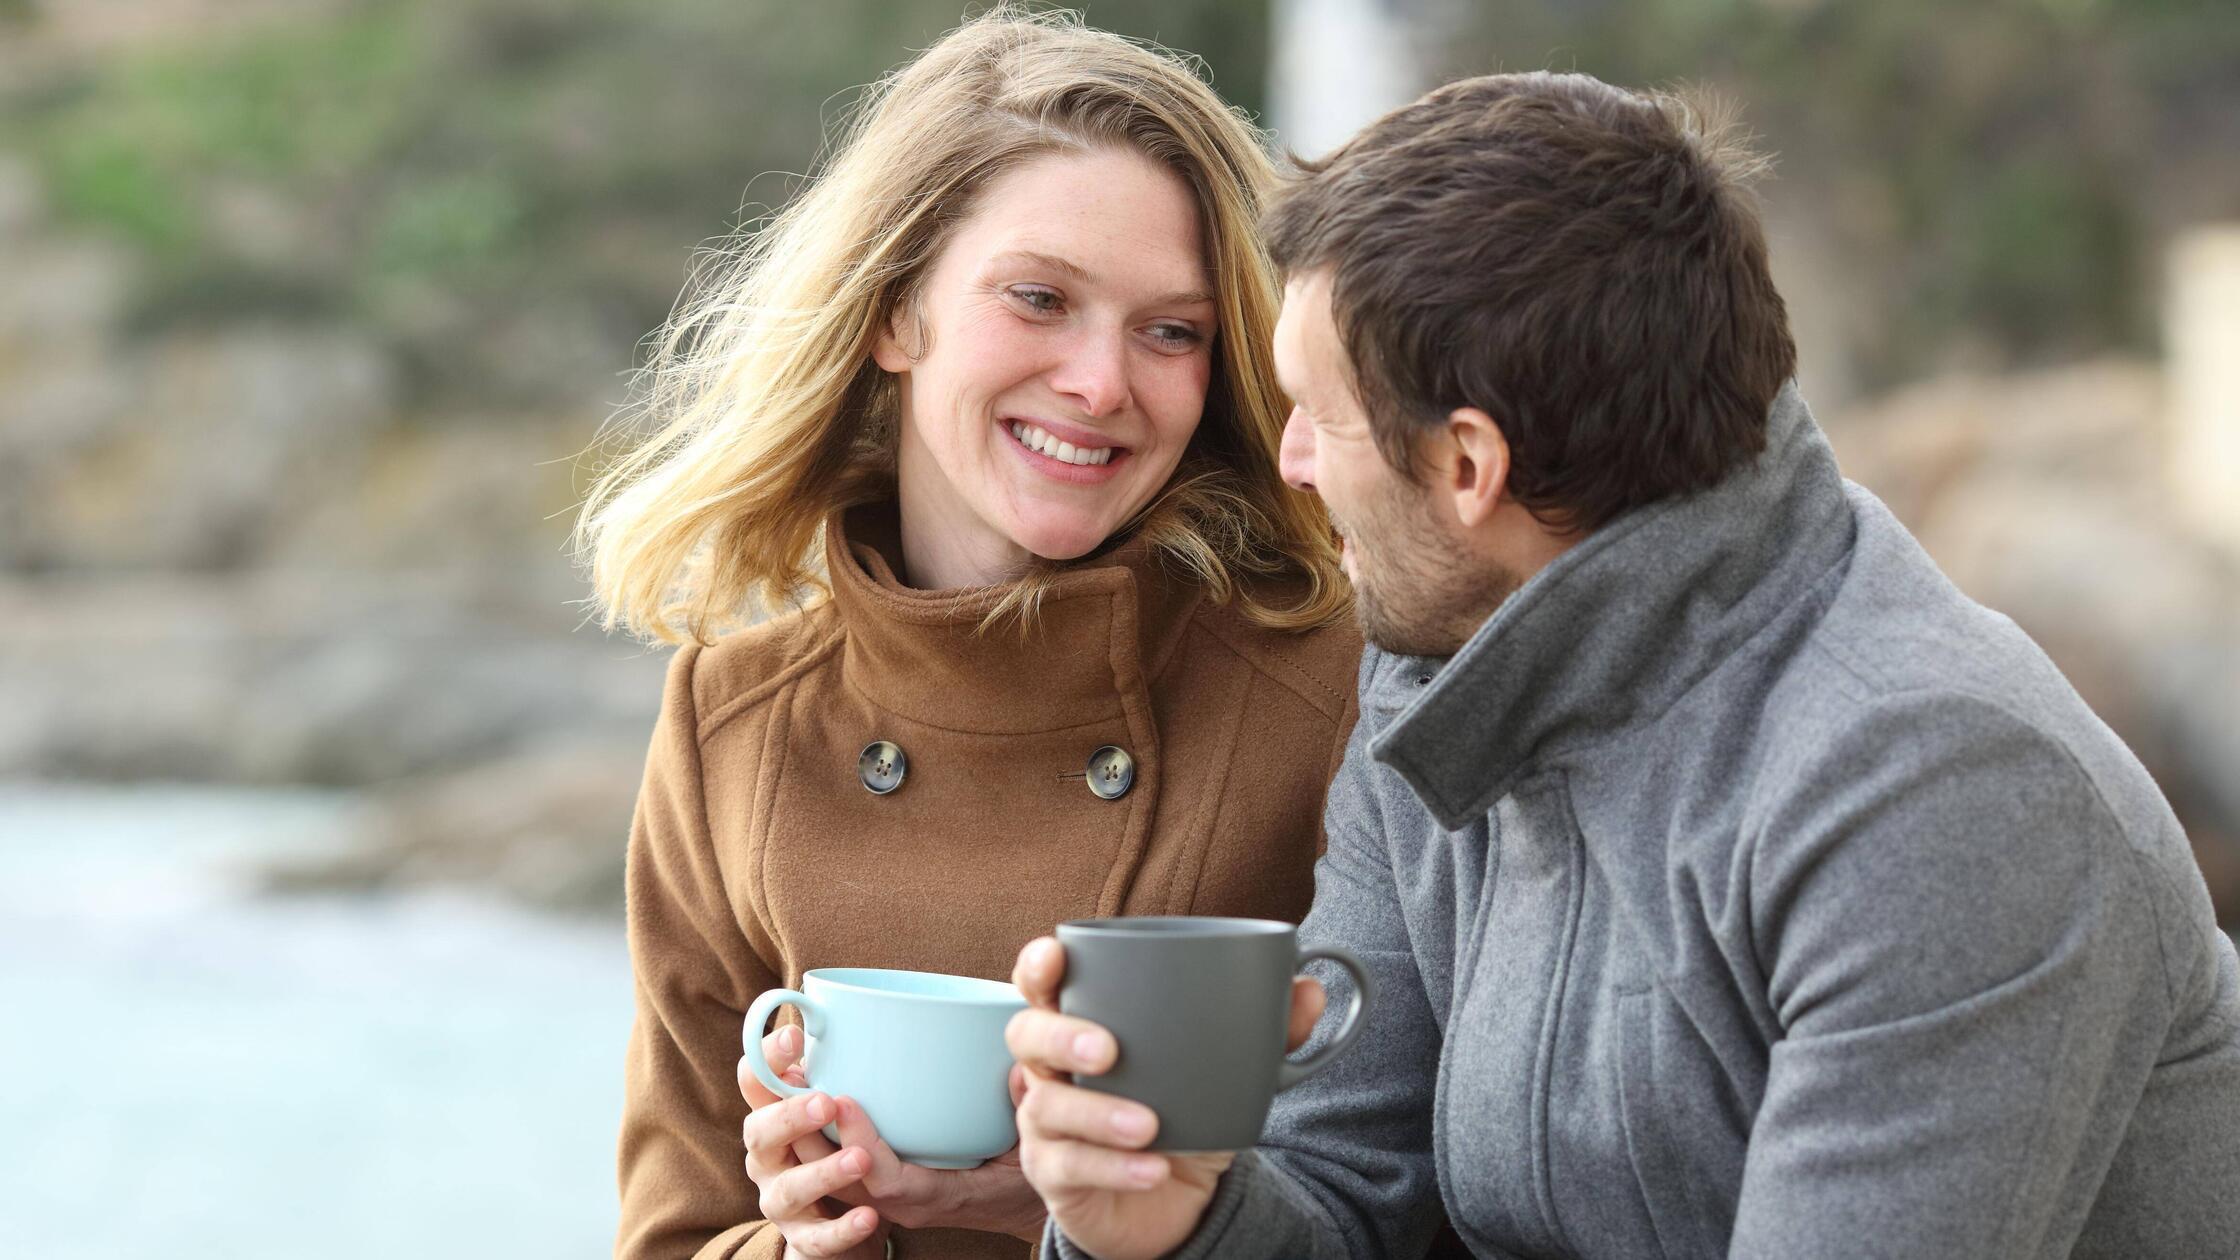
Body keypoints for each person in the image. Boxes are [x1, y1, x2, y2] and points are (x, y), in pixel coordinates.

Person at [1006, 70, 2240, 1259]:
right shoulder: (1444, 682)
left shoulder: (1936, 799)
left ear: (1467, 466)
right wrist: (1174, 1222)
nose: (1290, 464)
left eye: (1315, 415)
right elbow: (1339, 1193)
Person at [574, 10, 1365, 1260]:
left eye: (1172, 330)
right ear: (895, 312)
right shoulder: (728, 724)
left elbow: (1428, 1202)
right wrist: (804, 1242)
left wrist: (1094, 1219)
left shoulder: (1333, 696)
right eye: (1039, 299)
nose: (1100, 383)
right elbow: (673, 1235)